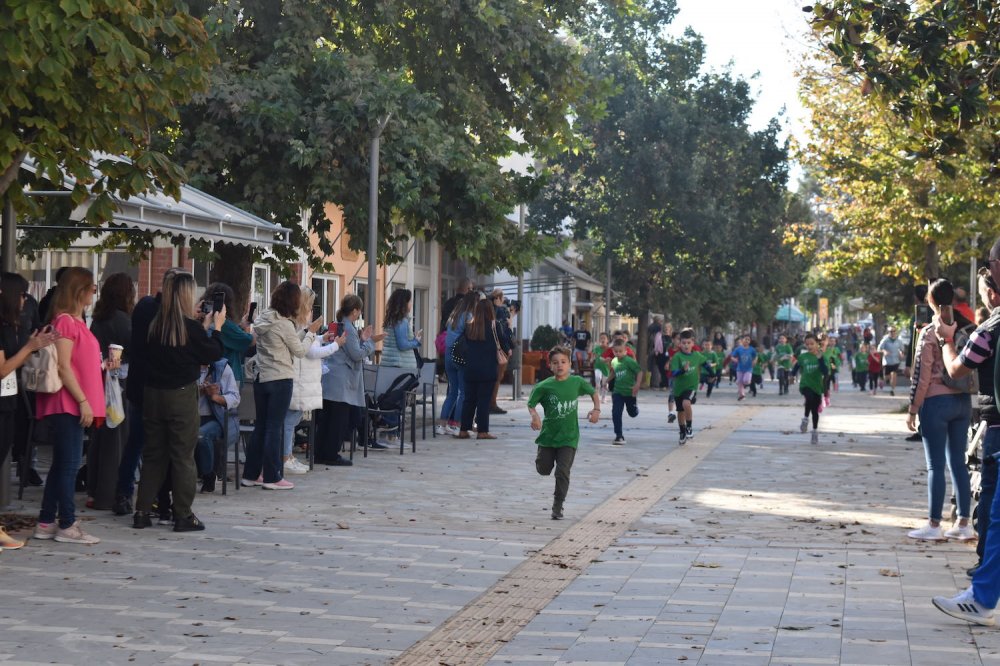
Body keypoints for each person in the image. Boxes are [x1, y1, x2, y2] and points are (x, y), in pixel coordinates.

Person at [133, 271, 224, 531]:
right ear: (186, 295)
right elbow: (212, 353)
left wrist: (203, 328)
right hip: (180, 394)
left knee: (153, 455)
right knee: (183, 456)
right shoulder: (190, 328)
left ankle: (142, 511)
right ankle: (182, 514)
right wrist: (216, 328)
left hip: (153, 394)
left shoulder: (155, 324)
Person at [32, 267, 110, 545]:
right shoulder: (65, 322)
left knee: (62, 465)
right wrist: (83, 401)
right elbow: (64, 367)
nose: (94, 292)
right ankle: (66, 523)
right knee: (69, 465)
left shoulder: (75, 322)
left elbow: (76, 363)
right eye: (92, 288)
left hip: (74, 402)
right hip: (68, 403)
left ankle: (45, 521)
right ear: (79, 291)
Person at [935, 267, 1000, 575]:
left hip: (994, 424)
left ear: (990, 293)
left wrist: (947, 341)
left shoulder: (989, 329)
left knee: (990, 498)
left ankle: (985, 569)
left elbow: (957, 369)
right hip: (978, 412)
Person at [905, 278, 973, 542]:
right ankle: (963, 522)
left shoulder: (929, 332)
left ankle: (934, 524)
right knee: (959, 463)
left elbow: (921, 376)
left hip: (935, 402)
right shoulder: (967, 327)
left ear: (930, 302)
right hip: (963, 401)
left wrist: (913, 408)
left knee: (935, 465)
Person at [241, 281, 322, 491]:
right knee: (274, 428)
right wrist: (312, 333)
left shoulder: (265, 318)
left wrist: (304, 335)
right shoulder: (284, 324)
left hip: (262, 378)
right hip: (280, 379)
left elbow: (289, 341)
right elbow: (300, 351)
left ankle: (251, 474)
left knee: (261, 426)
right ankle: (272, 476)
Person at [0, 274, 58, 549]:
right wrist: (29, 348)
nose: (26, 300)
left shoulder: (14, 326)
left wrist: (35, 343)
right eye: (22, 295)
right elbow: (2, 368)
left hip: (10, 400)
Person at [528, 346, 600, 520]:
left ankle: (558, 506)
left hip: (569, 437)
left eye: (563, 362)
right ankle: (541, 461)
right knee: (544, 470)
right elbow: (531, 404)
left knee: (562, 471)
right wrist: (535, 417)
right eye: (555, 363)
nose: (559, 365)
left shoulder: (577, 382)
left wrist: (596, 409)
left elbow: (593, 392)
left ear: (569, 364)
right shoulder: (544, 386)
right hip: (548, 437)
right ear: (550, 365)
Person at [316, 294, 384, 465]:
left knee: (327, 419)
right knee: (338, 420)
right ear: (355, 311)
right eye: (359, 310)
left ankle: (320, 453)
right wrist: (369, 343)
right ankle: (331, 454)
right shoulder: (349, 328)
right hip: (342, 382)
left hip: (331, 377)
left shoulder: (337, 324)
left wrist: (362, 339)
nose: (360, 313)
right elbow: (356, 354)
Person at [284, 287, 345, 475]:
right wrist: (335, 345)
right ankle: (285, 456)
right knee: (290, 419)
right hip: (299, 378)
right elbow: (310, 351)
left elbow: (307, 341)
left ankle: (288, 455)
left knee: (293, 418)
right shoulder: (296, 323)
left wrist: (320, 337)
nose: (312, 309)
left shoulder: (298, 324)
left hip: (303, 378)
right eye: (310, 305)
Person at [87, 272, 134, 510]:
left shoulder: (98, 319)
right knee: (117, 439)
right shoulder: (125, 321)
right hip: (119, 385)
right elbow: (134, 350)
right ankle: (110, 492)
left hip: (99, 383)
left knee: (101, 437)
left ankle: (95, 489)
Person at [458, 297, 510, 439]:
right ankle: (482, 431)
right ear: (490, 311)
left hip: (470, 369)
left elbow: (461, 347)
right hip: (487, 369)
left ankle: (463, 430)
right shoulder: (495, 326)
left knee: (469, 400)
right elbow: (505, 345)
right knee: (484, 400)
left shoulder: (469, 326)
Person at [195, 358, 240, 493]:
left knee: (201, 435)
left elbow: (235, 397)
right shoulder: (186, 364)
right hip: (190, 416)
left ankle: (209, 474)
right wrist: (200, 391)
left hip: (216, 417)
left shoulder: (221, 368)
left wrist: (215, 397)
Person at [437, 292, 477, 435]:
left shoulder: (454, 315)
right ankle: (459, 426)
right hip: (460, 355)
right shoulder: (468, 316)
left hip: (448, 355)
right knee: (463, 393)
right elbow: (471, 334)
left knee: (452, 392)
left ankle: (442, 425)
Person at [204, 283, 255, 385]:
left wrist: (241, 326)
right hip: (227, 378)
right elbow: (251, 341)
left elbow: (228, 338)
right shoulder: (224, 324)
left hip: (208, 377)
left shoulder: (205, 321)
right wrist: (260, 324)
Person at [670, 329, 713, 445]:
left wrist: (712, 374)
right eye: (683, 343)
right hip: (679, 388)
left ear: (692, 343)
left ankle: (689, 427)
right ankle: (682, 431)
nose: (686, 345)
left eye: (688, 343)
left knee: (686, 403)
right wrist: (682, 370)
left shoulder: (697, 355)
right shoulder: (677, 357)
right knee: (680, 411)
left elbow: (705, 364)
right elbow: (673, 373)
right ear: (680, 344)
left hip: (691, 387)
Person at [792, 333, 827, 445]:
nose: (809, 346)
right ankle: (806, 419)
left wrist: (820, 360)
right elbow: (796, 367)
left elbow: (825, 372)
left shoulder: (822, 357)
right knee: (809, 398)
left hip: (817, 386)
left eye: (812, 344)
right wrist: (791, 375)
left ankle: (815, 431)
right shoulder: (803, 356)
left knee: (815, 410)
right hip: (805, 384)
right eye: (807, 344)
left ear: (817, 344)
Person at [608, 339, 641, 445]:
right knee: (616, 413)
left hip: (629, 392)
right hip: (617, 392)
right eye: (616, 351)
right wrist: (606, 380)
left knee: (632, 413)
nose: (618, 353)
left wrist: (637, 384)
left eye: (620, 351)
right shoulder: (614, 361)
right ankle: (619, 436)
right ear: (613, 351)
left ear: (625, 350)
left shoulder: (629, 361)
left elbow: (639, 372)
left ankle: (635, 409)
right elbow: (613, 373)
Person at [381, 288, 422, 370]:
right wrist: (416, 341)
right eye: (410, 301)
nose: (411, 303)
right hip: (400, 366)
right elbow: (402, 345)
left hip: (389, 363)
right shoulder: (401, 321)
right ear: (404, 303)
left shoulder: (391, 319)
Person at [489, 289, 512, 414]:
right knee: (497, 377)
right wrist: (508, 347)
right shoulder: (499, 312)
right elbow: (503, 332)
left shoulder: (487, 310)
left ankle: (490, 403)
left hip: (489, 350)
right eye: (502, 298)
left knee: (493, 378)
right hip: (499, 350)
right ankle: (492, 404)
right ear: (498, 298)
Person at [877, 326, 904, 396]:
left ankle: (892, 390)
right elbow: (879, 349)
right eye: (890, 331)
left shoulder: (899, 340)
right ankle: (883, 380)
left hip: (896, 361)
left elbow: (902, 349)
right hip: (887, 361)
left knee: (894, 375)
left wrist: (901, 353)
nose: (892, 333)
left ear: (896, 332)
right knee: (887, 377)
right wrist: (884, 351)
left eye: (894, 331)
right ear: (888, 332)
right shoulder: (885, 340)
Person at [730, 335, 757, 401]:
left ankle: (743, 382)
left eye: (748, 340)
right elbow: (732, 356)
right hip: (740, 368)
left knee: (746, 381)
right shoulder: (738, 349)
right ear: (742, 340)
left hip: (748, 368)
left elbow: (756, 356)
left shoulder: (752, 349)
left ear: (750, 342)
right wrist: (734, 359)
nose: (747, 341)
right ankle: (742, 395)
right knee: (740, 382)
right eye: (745, 339)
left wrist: (754, 362)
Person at [592, 332, 610, 403]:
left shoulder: (609, 349)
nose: (602, 340)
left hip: (606, 368)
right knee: (598, 377)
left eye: (604, 338)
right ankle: (597, 387)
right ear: (599, 340)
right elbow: (594, 355)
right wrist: (592, 358)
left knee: (605, 384)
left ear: (607, 340)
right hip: (598, 367)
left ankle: (603, 398)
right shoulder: (597, 348)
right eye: (601, 338)